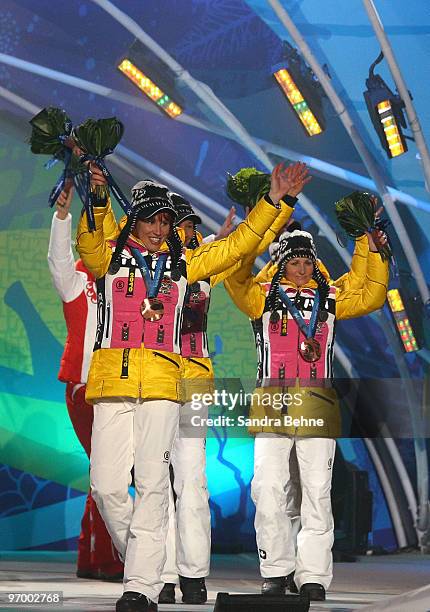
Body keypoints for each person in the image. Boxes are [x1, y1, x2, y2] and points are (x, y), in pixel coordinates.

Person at [75, 162, 298, 612]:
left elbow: (238, 247)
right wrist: (97, 198)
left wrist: (275, 203)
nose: (165, 230)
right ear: (134, 219)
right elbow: (90, 244)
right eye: (155, 220)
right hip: (116, 380)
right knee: (107, 486)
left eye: (172, 223)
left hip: (179, 384)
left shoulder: (191, 266)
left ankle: (165, 580)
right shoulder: (113, 258)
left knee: (186, 482)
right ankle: (156, 567)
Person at [224, 224, 389, 601]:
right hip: (271, 405)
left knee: (317, 492)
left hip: (317, 404)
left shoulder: (328, 298)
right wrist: (260, 233)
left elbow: (372, 294)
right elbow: (236, 276)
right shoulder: (261, 297)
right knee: (267, 489)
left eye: (306, 262)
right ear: (281, 264)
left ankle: (312, 575)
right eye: (294, 262)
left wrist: (367, 242)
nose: (301, 269)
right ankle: (276, 570)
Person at [47, 187, 123, 581]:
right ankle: (107, 559)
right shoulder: (77, 279)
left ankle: (92, 557)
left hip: (115, 388)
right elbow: (58, 260)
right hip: (84, 389)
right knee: (109, 472)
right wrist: (62, 216)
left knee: (105, 472)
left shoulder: (123, 282)